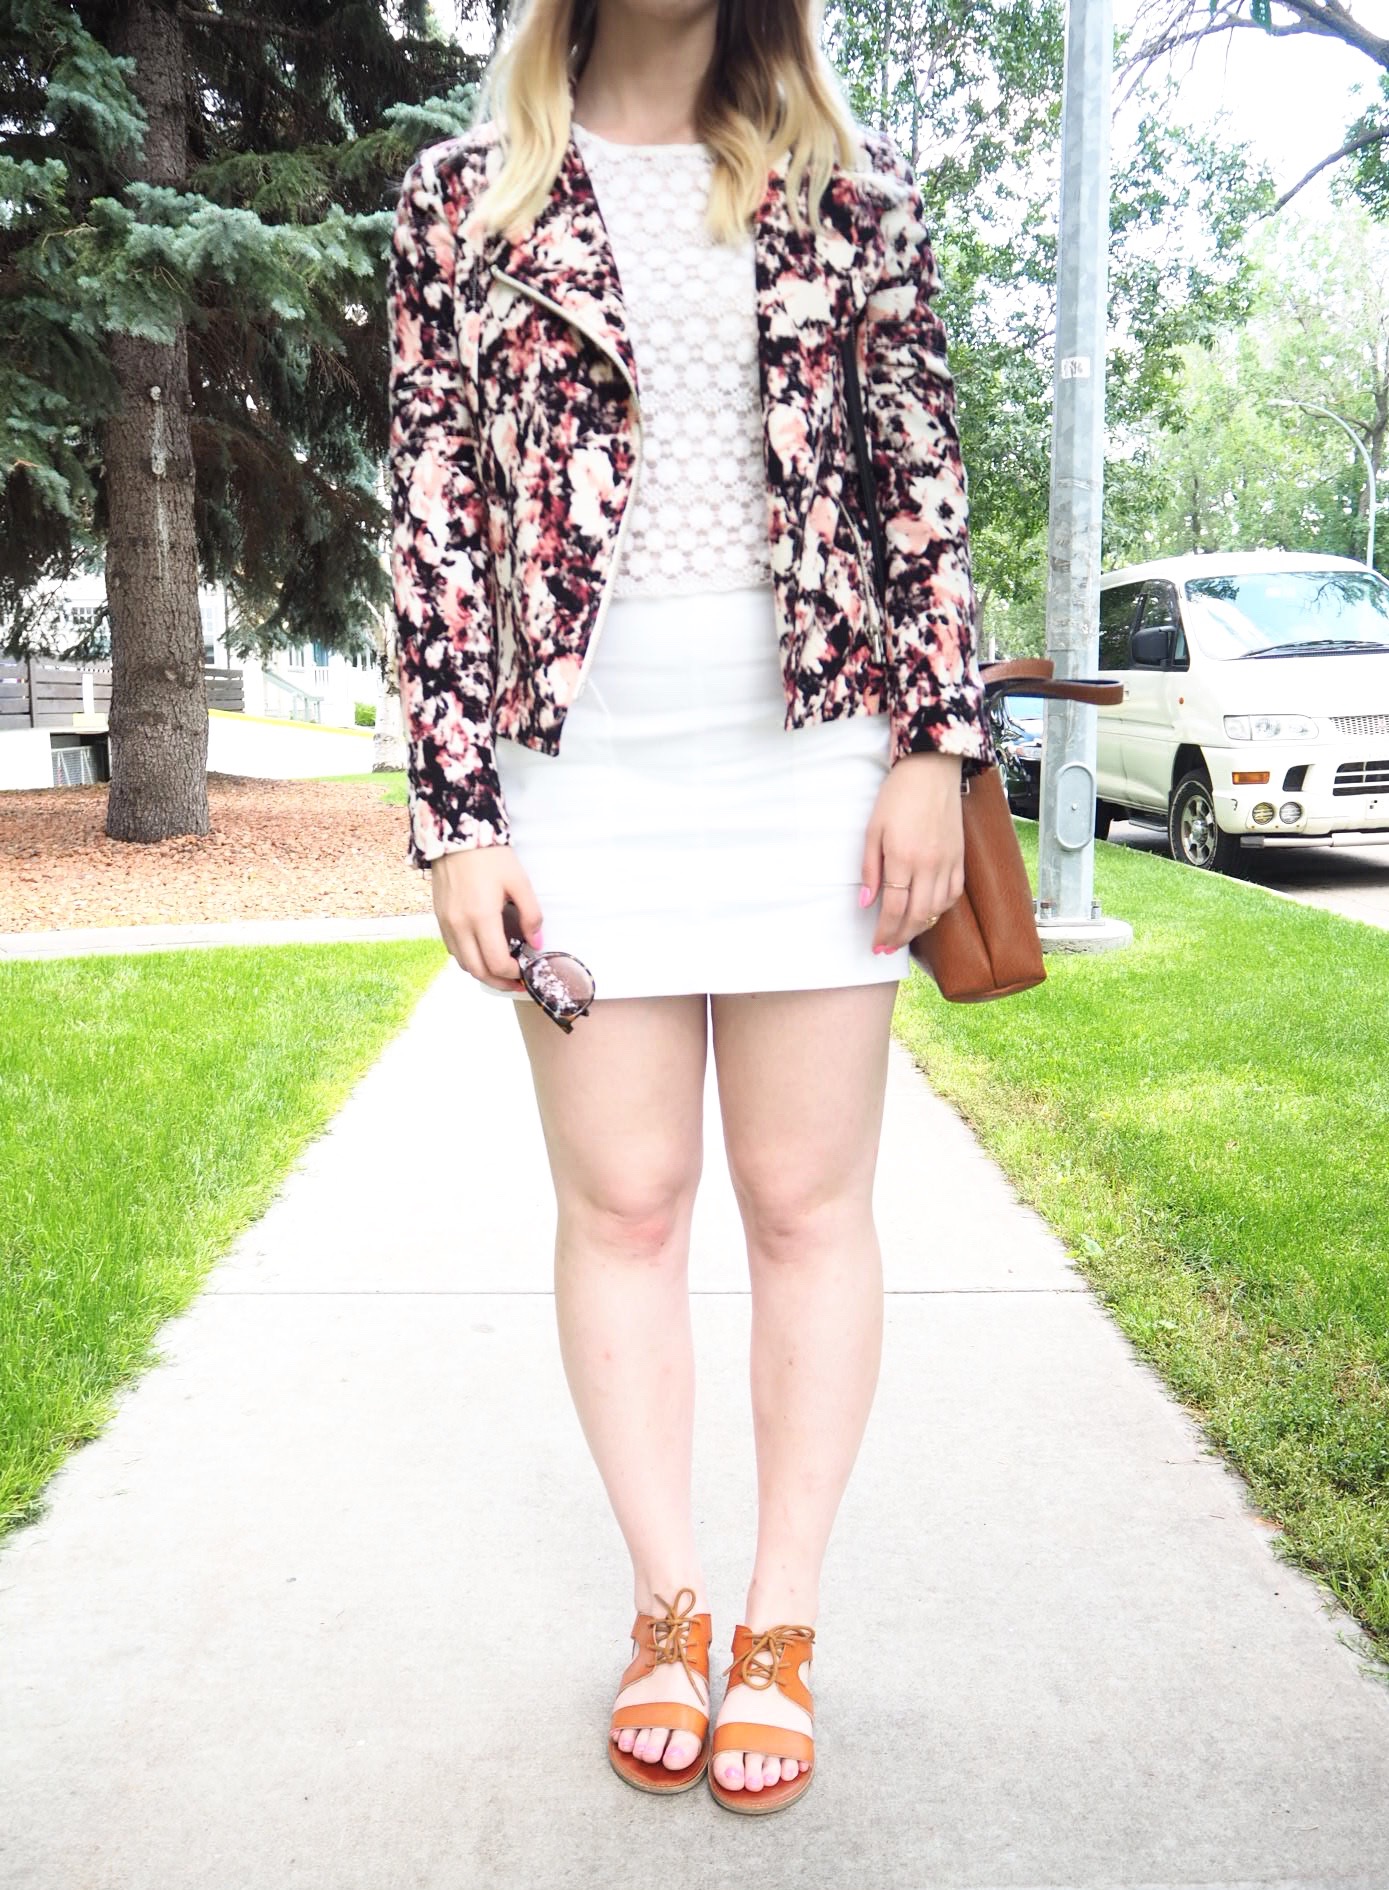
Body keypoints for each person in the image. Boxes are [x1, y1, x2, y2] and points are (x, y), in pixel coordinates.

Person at [386, 0, 995, 1815]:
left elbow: (926, 505)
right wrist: (455, 815)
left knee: (806, 1205)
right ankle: (667, 1606)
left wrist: (928, 755)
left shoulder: (853, 198)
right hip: (573, 777)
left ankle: (780, 1623)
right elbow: (422, 514)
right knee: (627, 1202)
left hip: (818, 762)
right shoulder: (453, 199)